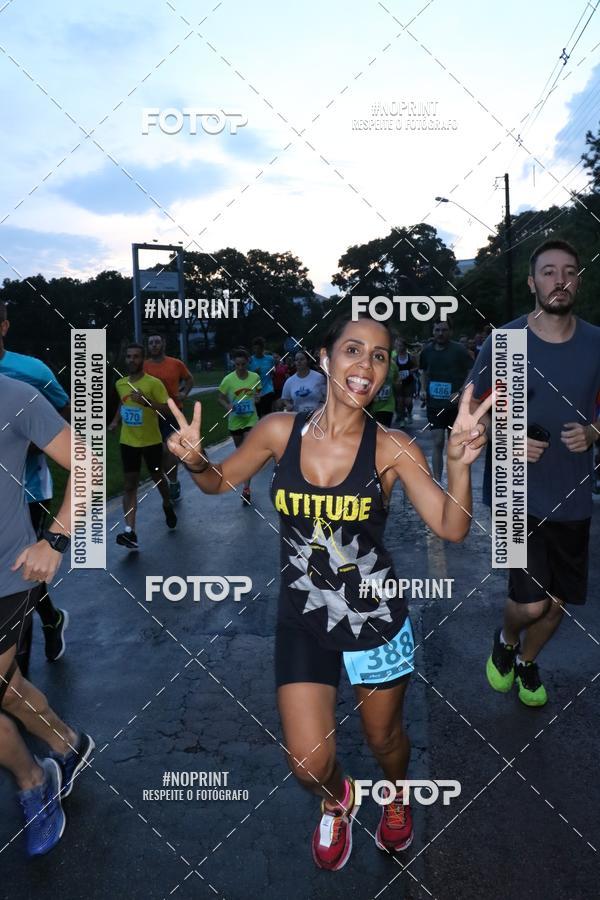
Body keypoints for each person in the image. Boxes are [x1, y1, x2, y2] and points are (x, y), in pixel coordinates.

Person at [166, 313, 491, 870]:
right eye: (353, 350)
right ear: (325, 357)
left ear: (387, 373)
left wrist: (459, 466)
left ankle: (396, 794)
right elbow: (217, 482)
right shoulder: (277, 431)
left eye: (380, 356)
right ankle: (338, 799)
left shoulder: (392, 447)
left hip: (376, 623)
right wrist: (197, 460)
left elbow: (452, 526)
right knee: (308, 765)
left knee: (385, 741)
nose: (365, 365)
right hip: (304, 618)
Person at [471, 239, 600, 708]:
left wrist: (594, 430)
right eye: (548, 271)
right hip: (513, 492)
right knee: (530, 603)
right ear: (532, 282)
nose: (559, 279)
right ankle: (506, 641)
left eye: (568, 270)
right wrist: (505, 438)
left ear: (578, 280)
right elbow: (470, 412)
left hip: (573, 493)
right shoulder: (506, 341)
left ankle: (526, 661)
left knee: (558, 603)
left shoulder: (596, 341)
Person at [0, 374, 94, 857]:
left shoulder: (15, 395)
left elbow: (88, 466)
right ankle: (66, 743)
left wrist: (55, 539)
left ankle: (34, 781)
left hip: (6, 574)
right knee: (8, 688)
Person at [0, 303, 70, 670]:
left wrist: (33, 437)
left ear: (4, 326)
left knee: (20, 568)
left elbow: (63, 409)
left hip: (28, 485)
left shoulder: (30, 371)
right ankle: (51, 618)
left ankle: (17, 672)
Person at [109, 343, 177, 549]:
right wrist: (114, 421)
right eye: (129, 356)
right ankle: (130, 532)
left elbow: (168, 409)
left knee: (158, 479)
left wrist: (148, 403)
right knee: (129, 485)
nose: (132, 360)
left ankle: (167, 504)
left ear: (143, 359)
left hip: (151, 442)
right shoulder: (121, 383)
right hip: (128, 442)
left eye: (136, 356)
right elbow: (123, 403)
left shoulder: (153, 383)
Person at [419, 319, 474, 483]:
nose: (440, 333)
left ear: (450, 331)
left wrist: (461, 391)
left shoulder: (459, 350)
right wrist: (423, 389)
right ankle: (437, 481)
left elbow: (472, 371)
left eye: (443, 330)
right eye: (437, 330)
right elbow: (423, 372)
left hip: (455, 406)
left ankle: (456, 479)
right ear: (433, 332)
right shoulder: (427, 351)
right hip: (434, 404)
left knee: (454, 444)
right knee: (437, 441)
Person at [143, 333, 194, 502]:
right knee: (158, 452)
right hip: (150, 414)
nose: (154, 345)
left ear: (163, 344)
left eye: (157, 342)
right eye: (151, 343)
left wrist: (184, 393)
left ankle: (173, 482)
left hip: (171, 412)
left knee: (168, 449)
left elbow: (189, 379)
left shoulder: (175, 363)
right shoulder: (144, 366)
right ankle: (169, 479)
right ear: (148, 346)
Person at [217, 348, 262, 505]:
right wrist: (228, 405)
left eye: (243, 364)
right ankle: (245, 479)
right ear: (233, 364)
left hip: (251, 420)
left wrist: (257, 398)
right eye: (237, 364)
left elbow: (258, 394)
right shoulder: (228, 380)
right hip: (235, 421)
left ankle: (246, 488)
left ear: (248, 362)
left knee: (246, 453)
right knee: (241, 453)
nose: (241, 367)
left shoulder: (255, 377)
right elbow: (220, 397)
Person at [392, 337, 418, 426]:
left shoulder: (411, 357)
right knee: (400, 401)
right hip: (398, 382)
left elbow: (417, 367)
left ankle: (409, 413)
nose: (398, 347)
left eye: (400, 345)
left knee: (408, 401)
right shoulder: (394, 359)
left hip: (409, 381)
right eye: (396, 345)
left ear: (404, 346)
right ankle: (402, 418)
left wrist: (410, 371)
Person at [249, 337, 275, 417]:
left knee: (267, 415)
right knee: (257, 415)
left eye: (259, 348)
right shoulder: (250, 360)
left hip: (268, 390)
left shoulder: (270, 359)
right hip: (256, 392)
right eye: (255, 348)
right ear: (253, 348)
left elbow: (273, 372)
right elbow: (247, 376)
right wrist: (254, 373)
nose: (257, 350)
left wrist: (272, 372)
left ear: (263, 348)